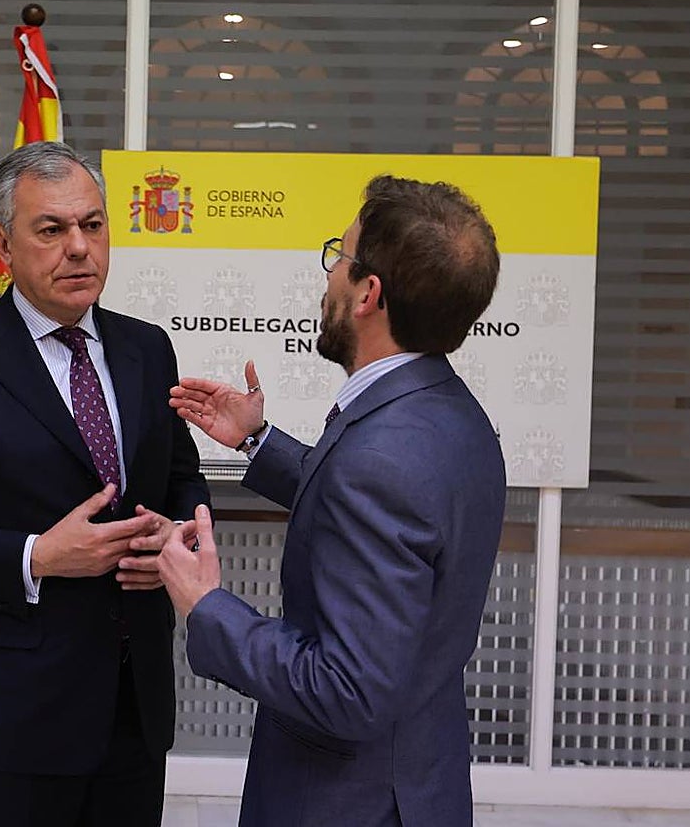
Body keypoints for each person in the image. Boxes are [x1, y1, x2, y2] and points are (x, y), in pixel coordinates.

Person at [136, 174, 506, 826]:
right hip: (420, 777)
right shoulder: (454, 418)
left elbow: (346, 691)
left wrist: (207, 605)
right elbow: (388, 509)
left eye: (341, 255)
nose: (330, 272)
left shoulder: (383, 456)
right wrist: (257, 442)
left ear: (369, 294)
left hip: (348, 800)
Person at [0, 141, 210, 827]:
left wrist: (176, 535)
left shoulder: (148, 347)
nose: (79, 248)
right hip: (9, 718)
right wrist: (36, 557)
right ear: (4, 241)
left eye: (92, 225)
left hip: (133, 706)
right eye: (52, 230)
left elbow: (180, 477)